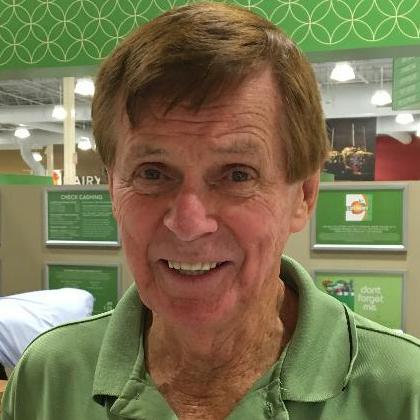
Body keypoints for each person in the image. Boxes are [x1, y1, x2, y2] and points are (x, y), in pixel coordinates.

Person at [2, 2, 420, 419]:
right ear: (113, 189)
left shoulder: (404, 391)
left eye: (237, 174)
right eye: (152, 173)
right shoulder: (48, 379)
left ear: (304, 196)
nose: (188, 223)